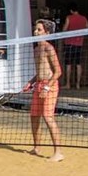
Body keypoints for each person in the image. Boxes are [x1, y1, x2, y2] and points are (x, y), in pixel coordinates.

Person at [26, 19, 64, 162]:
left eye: (39, 30)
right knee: (34, 116)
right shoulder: (36, 49)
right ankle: (37, 147)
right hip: (39, 85)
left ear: (47, 33)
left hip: (50, 86)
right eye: (35, 29)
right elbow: (40, 72)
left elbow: (58, 71)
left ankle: (58, 152)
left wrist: (47, 87)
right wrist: (30, 82)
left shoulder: (49, 48)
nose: (36, 32)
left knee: (48, 117)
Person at [61, 2, 88, 89]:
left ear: (71, 10)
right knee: (78, 64)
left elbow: (64, 29)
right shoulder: (84, 18)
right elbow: (87, 28)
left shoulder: (69, 17)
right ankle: (78, 84)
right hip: (79, 44)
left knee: (68, 64)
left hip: (69, 43)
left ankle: (68, 84)